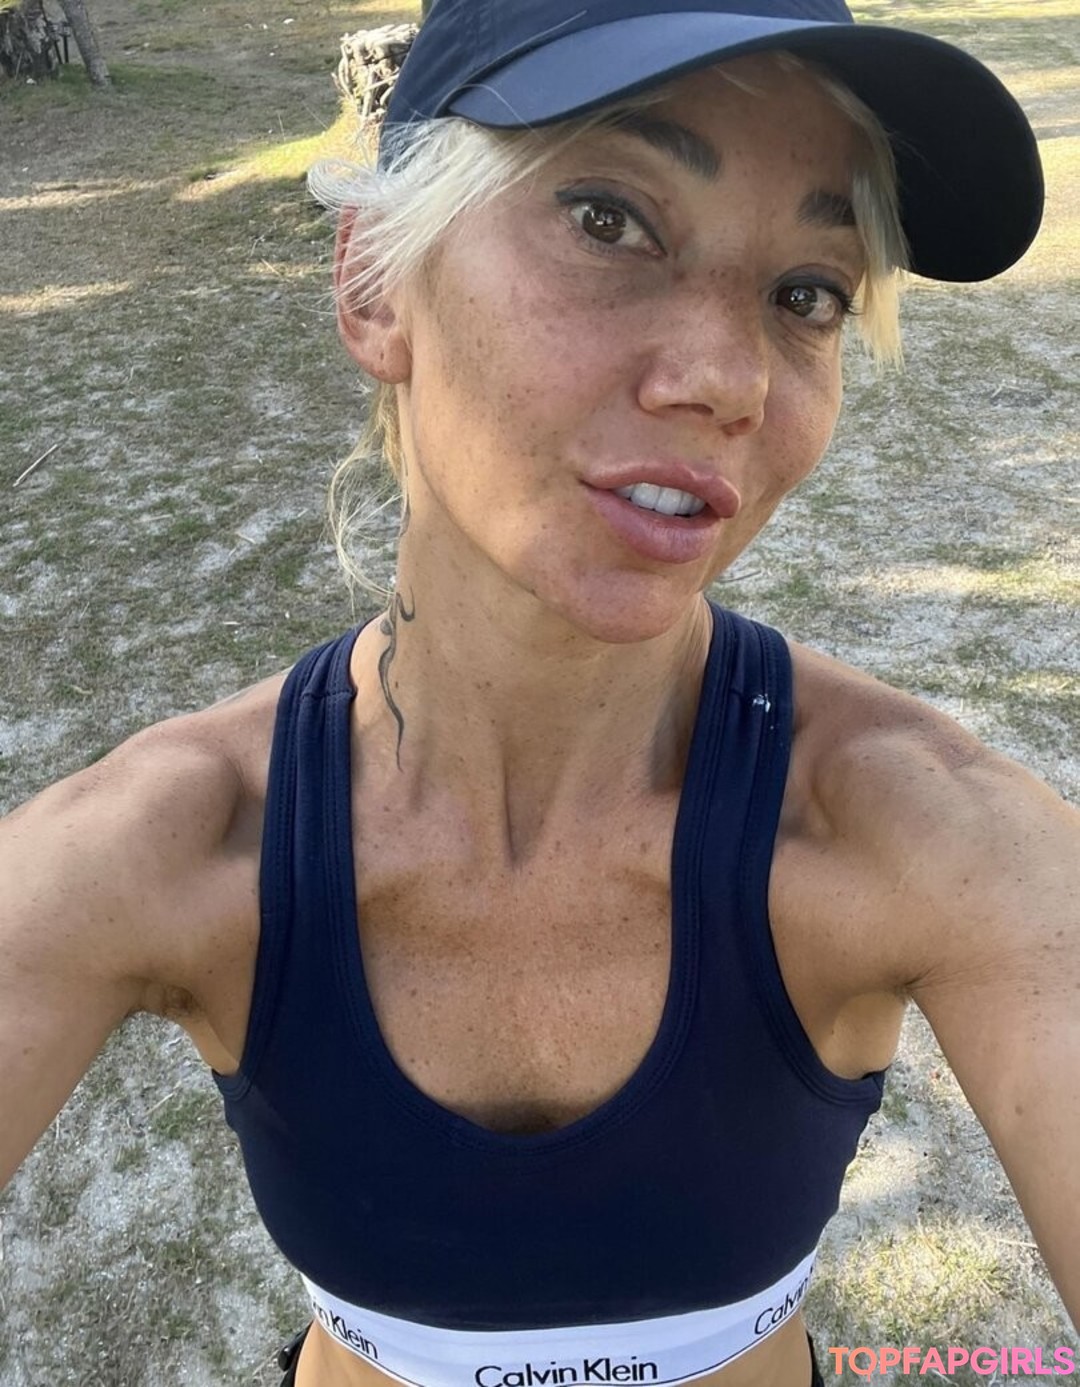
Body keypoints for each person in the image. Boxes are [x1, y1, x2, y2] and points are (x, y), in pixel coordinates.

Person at [1, 1, 1076, 1385]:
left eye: (808, 291)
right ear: (376, 284)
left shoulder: (927, 838)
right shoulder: (170, 846)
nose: (729, 380)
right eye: (608, 221)